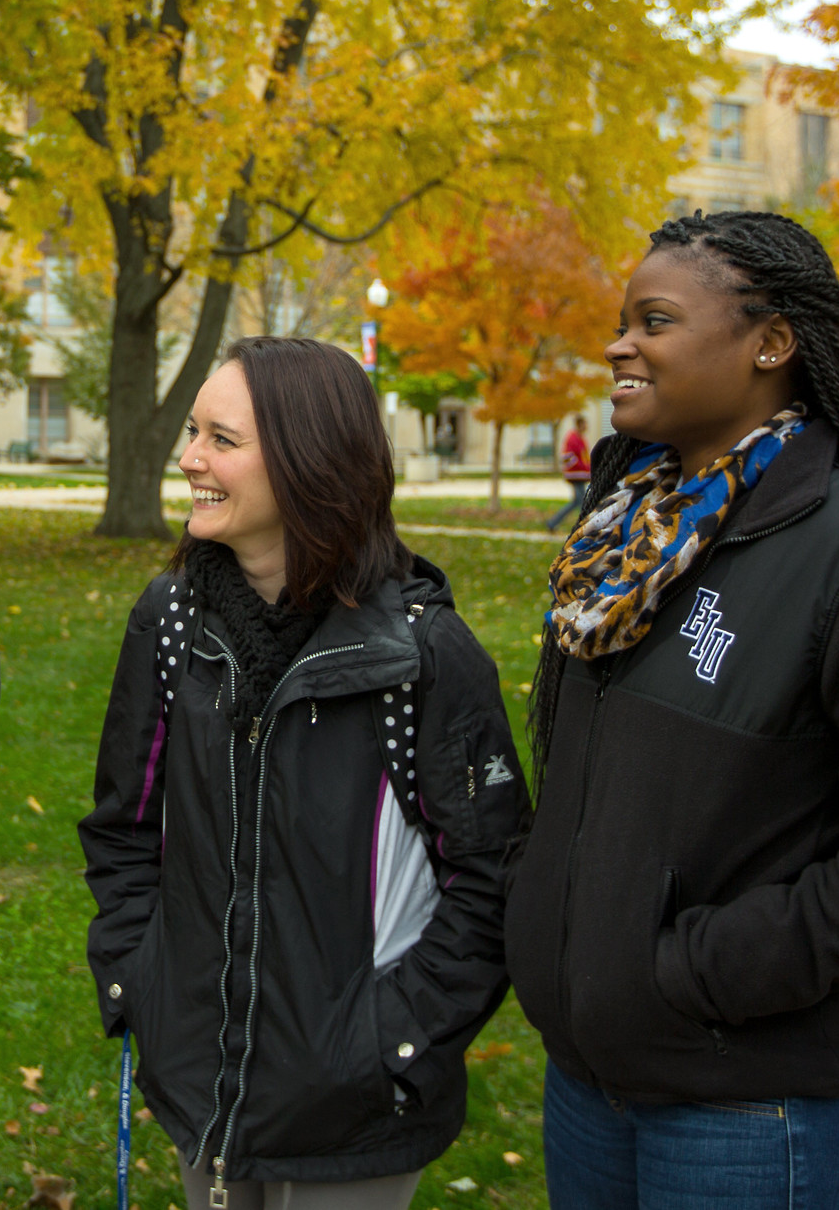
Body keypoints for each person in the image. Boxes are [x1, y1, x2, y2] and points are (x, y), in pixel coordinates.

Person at [508, 210, 839, 1209]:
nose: (618, 344)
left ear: (770, 344)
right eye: (620, 321)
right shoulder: (619, 541)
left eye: (651, 321)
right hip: (587, 1089)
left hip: (754, 1112)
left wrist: (686, 974)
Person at [81, 336, 529, 1210]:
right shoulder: (172, 622)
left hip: (356, 1115)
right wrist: (145, 984)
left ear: (309, 460)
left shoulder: (423, 652)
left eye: (223, 439)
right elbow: (123, 827)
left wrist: (392, 1041)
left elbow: (494, 879)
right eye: (193, 432)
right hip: (202, 1083)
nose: (191, 458)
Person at [546, 414, 593, 531]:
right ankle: (586, 526)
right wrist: (583, 467)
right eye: (584, 424)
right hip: (575, 475)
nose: (586, 427)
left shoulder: (580, 438)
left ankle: (553, 523)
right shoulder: (572, 438)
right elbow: (568, 457)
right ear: (579, 425)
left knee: (577, 501)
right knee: (582, 502)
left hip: (580, 475)